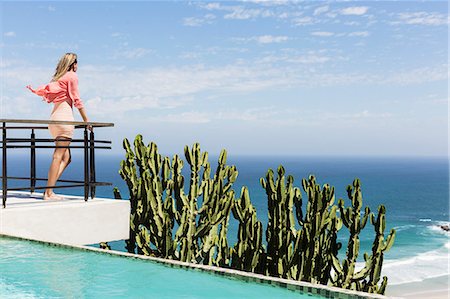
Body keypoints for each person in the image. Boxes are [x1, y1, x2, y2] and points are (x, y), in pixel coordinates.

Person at [27, 53, 90, 200]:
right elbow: (77, 100)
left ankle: (49, 189)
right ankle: (48, 193)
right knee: (58, 156)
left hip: (54, 120)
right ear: (73, 64)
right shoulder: (72, 76)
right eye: (77, 63)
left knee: (66, 158)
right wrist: (86, 120)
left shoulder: (59, 78)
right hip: (64, 120)